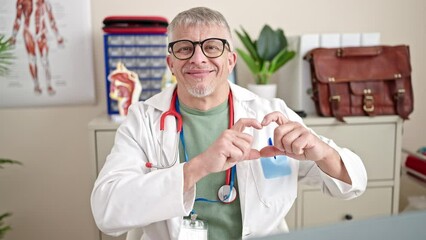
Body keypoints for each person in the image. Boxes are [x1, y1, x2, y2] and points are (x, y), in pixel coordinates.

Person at [91, 7, 367, 240]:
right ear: (171, 63)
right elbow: (107, 212)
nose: (198, 58)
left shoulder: (271, 114)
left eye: (211, 47)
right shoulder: (143, 120)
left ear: (231, 60)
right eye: (185, 49)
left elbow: (350, 186)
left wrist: (323, 152)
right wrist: (197, 167)